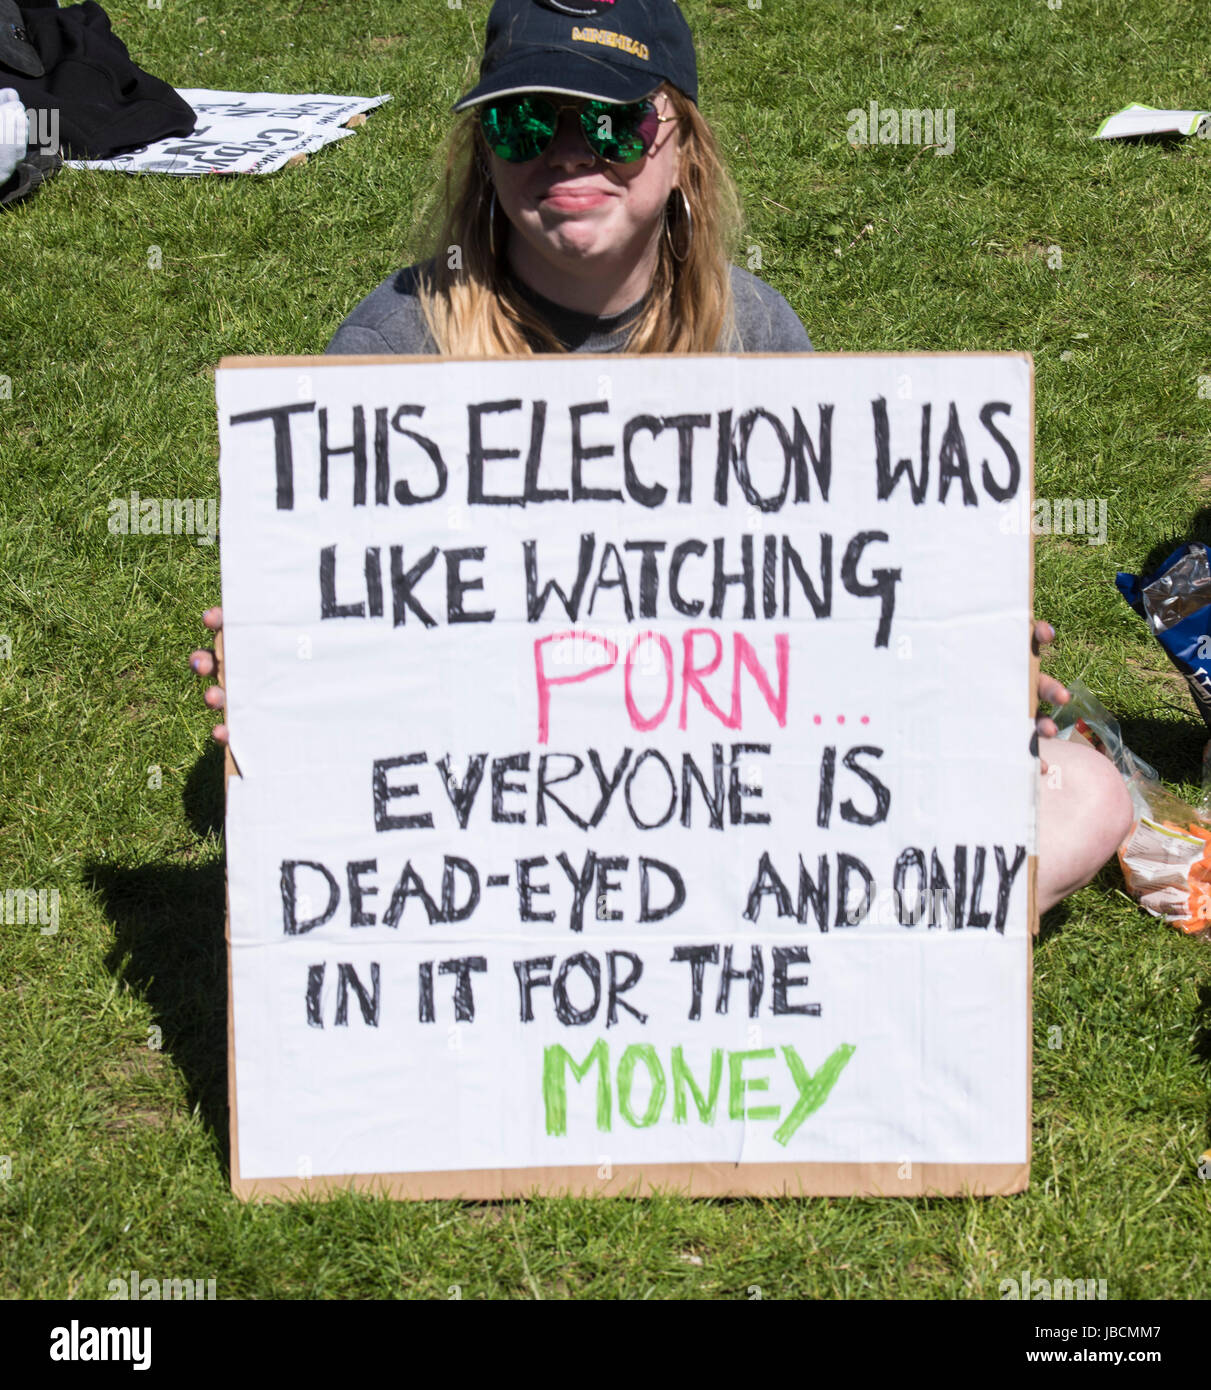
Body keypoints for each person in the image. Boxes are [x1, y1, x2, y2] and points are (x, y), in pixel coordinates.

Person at [189, 0, 1133, 913]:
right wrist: (284, 666)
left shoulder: (751, 328)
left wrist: (961, 643)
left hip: (726, 777)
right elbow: (350, 609)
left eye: (612, 124)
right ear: (485, 153)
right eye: (524, 122)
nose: (568, 153)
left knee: (1087, 795)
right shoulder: (399, 343)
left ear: (680, 148)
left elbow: (832, 589)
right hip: (505, 799)